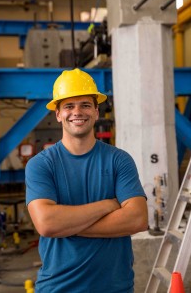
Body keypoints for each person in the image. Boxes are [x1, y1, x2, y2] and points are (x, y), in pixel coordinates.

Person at [25, 68, 148, 293]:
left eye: (85, 105)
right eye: (69, 106)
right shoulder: (41, 165)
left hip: (115, 287)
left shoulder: (119, 160)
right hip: (59, 288)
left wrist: (68, 225)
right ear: (58, 114)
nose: (77, 112)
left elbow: (138, 219)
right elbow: (48, 224)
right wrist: (108, 205)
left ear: (96, 112)